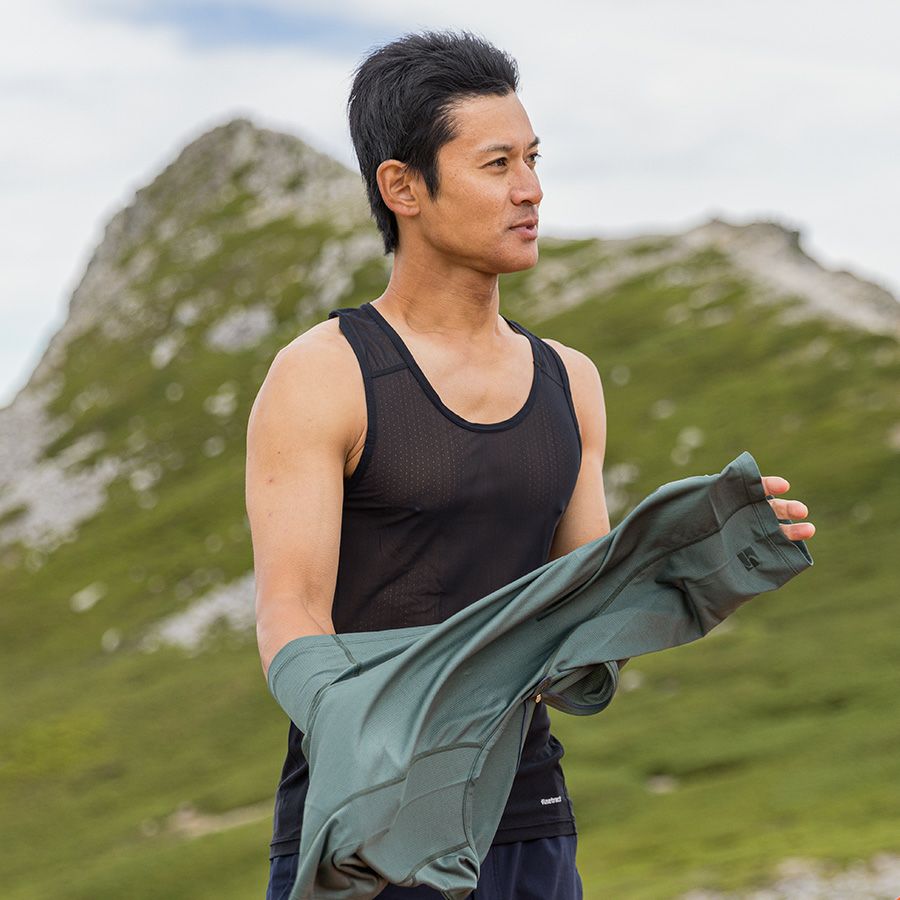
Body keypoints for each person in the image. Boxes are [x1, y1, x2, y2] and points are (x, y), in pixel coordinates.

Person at [245, 29, 816, 900]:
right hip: (367, 825)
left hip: (528, 819)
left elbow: (578, 627)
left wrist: (690, 569)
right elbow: (290, 613)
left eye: (534, 159)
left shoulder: (569, 380)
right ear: (402, 187)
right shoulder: (324, 374)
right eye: (497, 164)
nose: (531, 190)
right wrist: (361, 737)